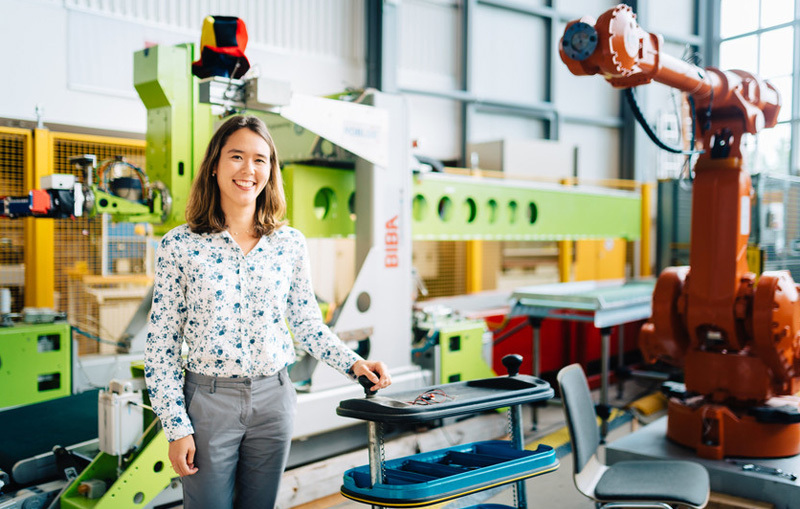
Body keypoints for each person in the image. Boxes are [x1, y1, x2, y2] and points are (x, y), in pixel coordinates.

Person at [144, 115, 392, 509]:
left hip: (274, 400)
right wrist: (176, 428)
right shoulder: (180, 245)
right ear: (214, 165)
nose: (248, 170)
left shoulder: (289, 244)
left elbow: (307, 323)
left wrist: (354, 364)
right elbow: (160, 347)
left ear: (271, 170)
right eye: (236, 156)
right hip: (209, 402)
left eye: (260, 160)